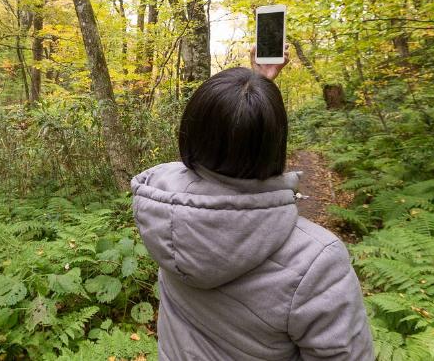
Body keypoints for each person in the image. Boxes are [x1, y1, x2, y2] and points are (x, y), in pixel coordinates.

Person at [131, 47, 374, 360]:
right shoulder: (318, 262)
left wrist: (258, 85)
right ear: (276, 144)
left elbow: (216, 142)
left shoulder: (165, 211)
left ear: (189, 134)